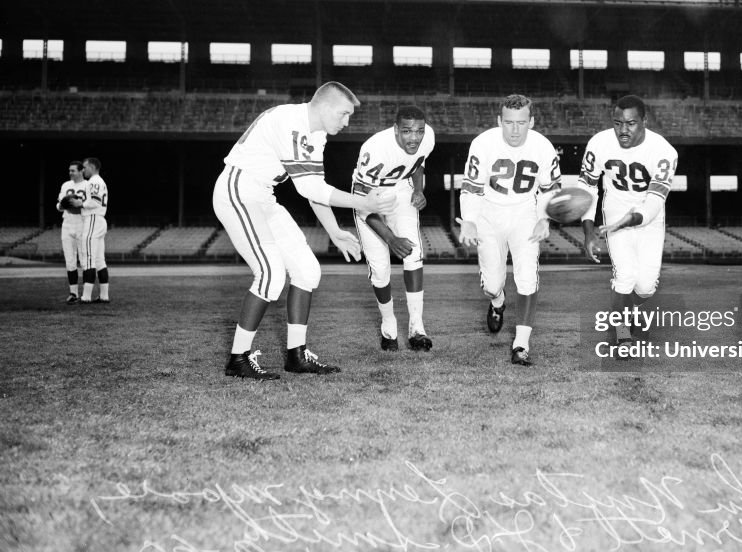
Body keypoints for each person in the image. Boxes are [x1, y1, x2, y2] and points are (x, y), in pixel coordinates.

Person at [212, 81, 396, 381]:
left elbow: (314, 190)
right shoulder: (290, 121)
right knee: (270, 274)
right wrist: (363, 201)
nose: (347, 122)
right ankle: (238, 359)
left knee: (308, 271)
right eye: (344, 113)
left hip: (262, 196)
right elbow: (310, 186)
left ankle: (296, 356)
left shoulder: (316, 133)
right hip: (238, 190)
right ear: (324, 106)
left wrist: (334, 230)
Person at [456, 94, 561, 366]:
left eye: (522, 123)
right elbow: (472, 187)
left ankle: (521, 345)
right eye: (509, 123)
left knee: (527, 277)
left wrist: (544, 218)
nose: (515, 130)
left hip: (525, 212)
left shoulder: (543, 147)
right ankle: (497, 301)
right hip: (489, 213)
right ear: (499, 121)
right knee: (492, 285)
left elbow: (550, 189)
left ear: (532, 122)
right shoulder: (483, 143)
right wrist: (468, 218)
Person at [578, 95, 678, 347]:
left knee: (645, 287)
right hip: (615, 206)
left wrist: (624, 222)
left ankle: (624, 310)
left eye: (631, 123)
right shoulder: (599, 143)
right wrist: (588, 230)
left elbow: (654, 204)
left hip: (648, 216)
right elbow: (588, 187)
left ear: (644, 121)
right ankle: (623, 335)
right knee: (625, 275)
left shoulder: (663, 151)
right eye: (618, 123)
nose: (623, 130)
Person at [351, 105, 436, 352]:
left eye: (418, 131)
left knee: (413, 253)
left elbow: (418, 164)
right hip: (370, 197)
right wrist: (390, 238)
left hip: (401, 189)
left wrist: (419, 190)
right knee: (380, 270)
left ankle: (417, 328)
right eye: (407, 131)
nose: (415, 137)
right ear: (396, 129)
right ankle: (388, 323)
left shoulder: (427, 136)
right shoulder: (375, 149)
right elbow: (362, 203)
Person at [79, 157, 111, 304]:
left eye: (84, 167)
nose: (83, 170)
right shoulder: (100, 181)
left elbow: (93, 201)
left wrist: (78, 203)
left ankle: (86, 296)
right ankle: (104, 296)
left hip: (92, 218)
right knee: (99, 260)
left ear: (92, 167)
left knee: (89, 258)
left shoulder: (94, 181)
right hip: (99, 219)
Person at [56, 160, 87, 303]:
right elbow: (58, 205)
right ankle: (73, 293)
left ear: (81, 171)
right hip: (67, 222)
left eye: (73, 170)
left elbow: (90, 205)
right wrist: (61, 206)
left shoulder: (87, 185)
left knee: (85, 260)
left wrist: (79, 204)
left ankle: (86, 294)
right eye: (69, 170)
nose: (70, 173)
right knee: (70, 260)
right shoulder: (66, 185)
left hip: (82, 222)